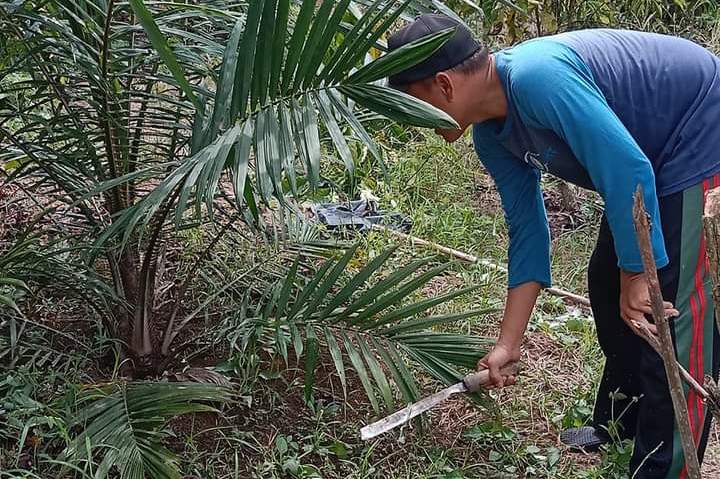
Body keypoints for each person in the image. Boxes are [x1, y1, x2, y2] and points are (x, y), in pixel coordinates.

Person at [385, 13, 720, 479]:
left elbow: (628, 169)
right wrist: (508, 344)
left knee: (668, 306)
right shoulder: (491, 135)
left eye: (412, 105)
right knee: (607, 285)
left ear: (443, 85)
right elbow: (529, 233)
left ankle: (668, 466)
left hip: (698, 129)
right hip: (645, 159)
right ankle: (624, 421)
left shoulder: (537, 78)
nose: (414, 121)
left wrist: (639, 274)